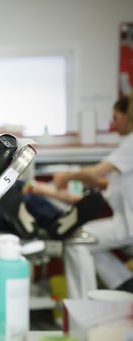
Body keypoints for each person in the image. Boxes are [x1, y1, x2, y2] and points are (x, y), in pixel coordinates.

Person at [56, 94, 133, 297]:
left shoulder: (131, 143)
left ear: (127, 115)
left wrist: (66, 177)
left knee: (77, 239)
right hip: (124, 222)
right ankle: (126, 287)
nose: (113, 124)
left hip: (128, 225)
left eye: (116, 118)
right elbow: (107, 182)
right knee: (90, 245)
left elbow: (96, 172)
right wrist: (79, 178)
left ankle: (83, 307)